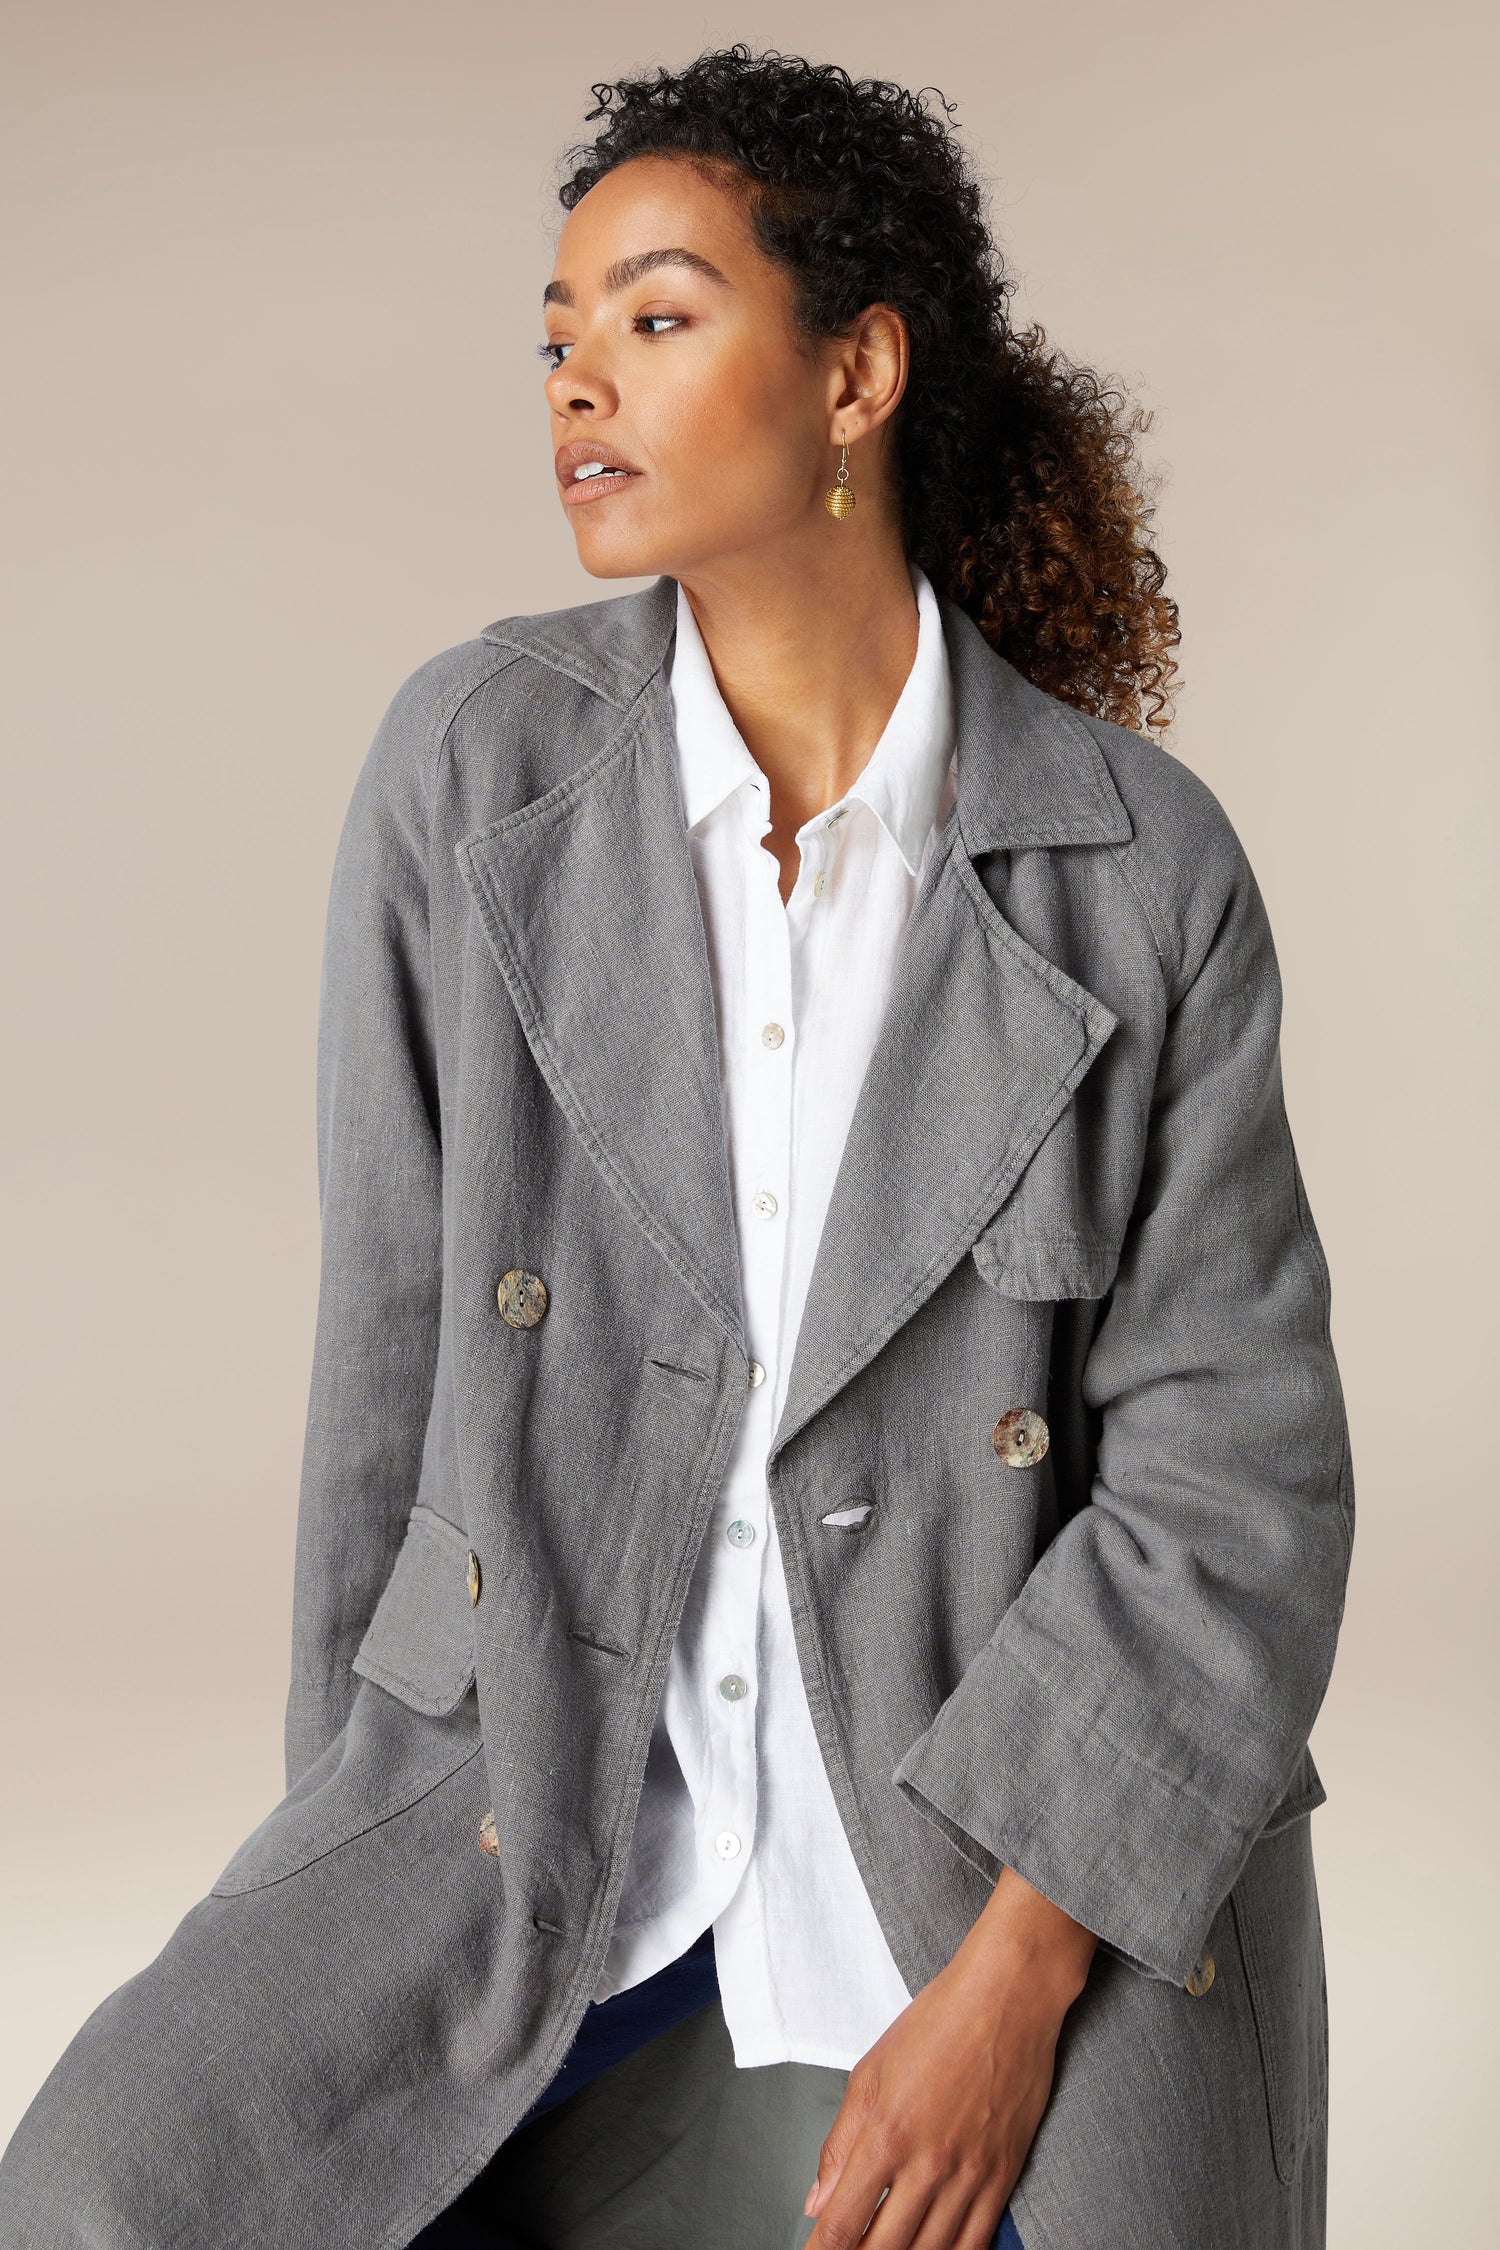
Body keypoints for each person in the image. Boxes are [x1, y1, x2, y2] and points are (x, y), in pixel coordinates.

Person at [0, 45, 1353, 2250]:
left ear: (857, 376)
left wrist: (1012, 1988)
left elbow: (1237, 1484)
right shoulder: (475, 773)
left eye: (652, 315)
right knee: (105, 2198)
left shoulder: (1136, 862)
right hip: (542, 1805)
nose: (576, 389)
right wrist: (345, 1881)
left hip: (1006, 1860)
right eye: (557, 339)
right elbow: (393, 1366)